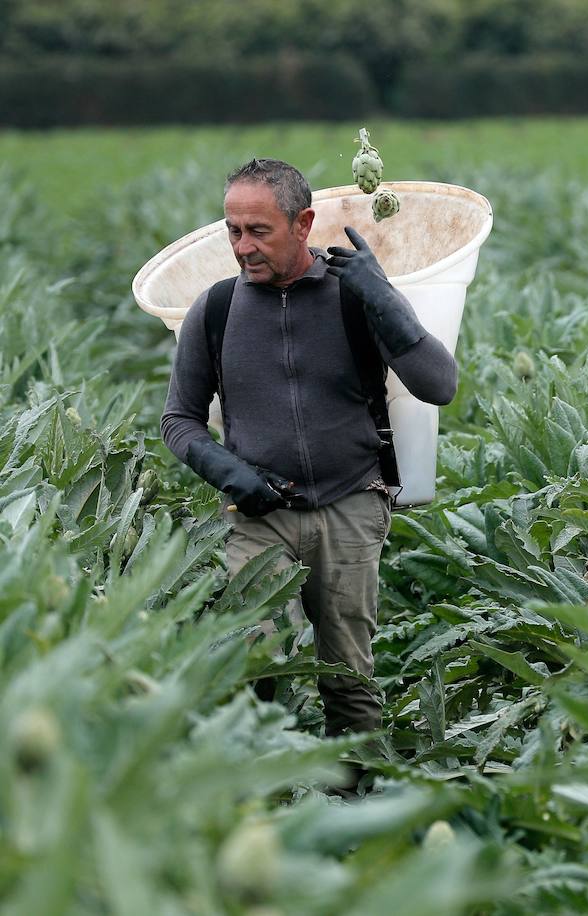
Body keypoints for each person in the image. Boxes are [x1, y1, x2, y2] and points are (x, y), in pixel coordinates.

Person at [161, 158, 456, 758]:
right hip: (257, 519)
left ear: (304, 224)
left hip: (351, 506)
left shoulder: (354, 298)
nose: (242, 246)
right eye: (233, 230)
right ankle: (271, 798)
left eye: (259, 231)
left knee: (348, 675)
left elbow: (439, 385)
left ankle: (362, 803)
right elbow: (179, 420)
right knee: (259, 665)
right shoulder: (215, 310)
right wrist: (228, 472)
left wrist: (386, 301)